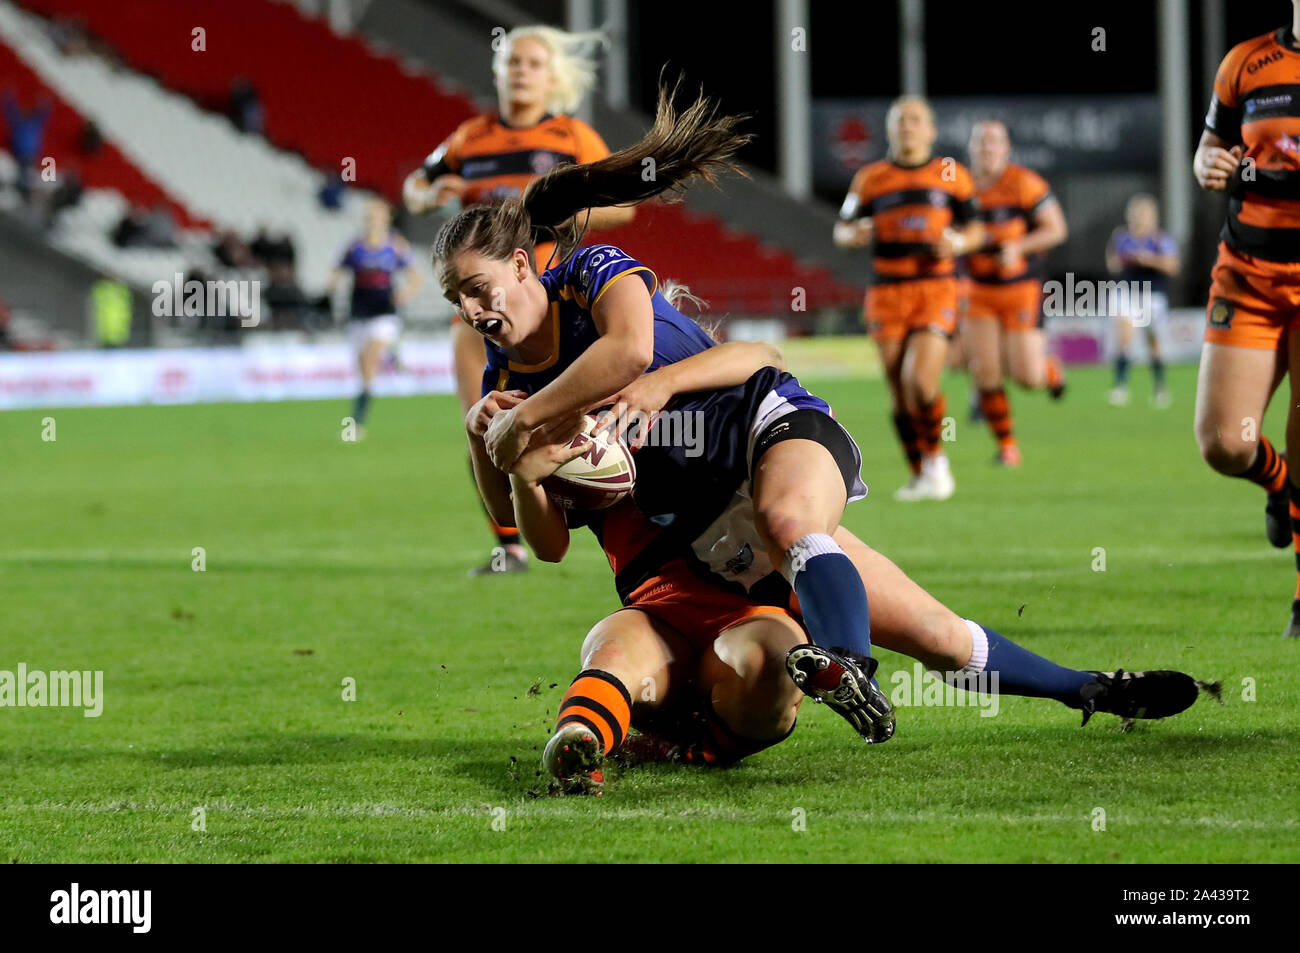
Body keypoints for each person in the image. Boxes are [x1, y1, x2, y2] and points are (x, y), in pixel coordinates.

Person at [487, 343, 1204, 793]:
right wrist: (521, 461)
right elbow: (542, 536)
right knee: (645, 652)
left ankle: (1089, 688)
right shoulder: (560, 425)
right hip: (682, 595)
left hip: (762, 565)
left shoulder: (696, 386)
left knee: (942, 637)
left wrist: (671, 382)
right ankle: (614, 742)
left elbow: (761, 358)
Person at [403, 25, 635, 577]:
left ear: (552, 75)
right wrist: (429, 194)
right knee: (480, 421)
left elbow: (623, 207)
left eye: (532, 63)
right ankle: (507, 546)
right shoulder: (469, 139)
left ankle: (618, 525)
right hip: (483, 309)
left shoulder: (573, 138)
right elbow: (416, 185)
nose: (520, 71)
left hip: (551, 301)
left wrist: (543, 213)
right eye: (512, 62)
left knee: (574, 422)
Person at [1192, 3, 1300, 637]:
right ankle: (1278, 483)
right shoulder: (1246, 62)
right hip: (1249, 273)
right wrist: (1208, 165)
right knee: (1226, 443)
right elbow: (1211, 147)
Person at [835, 96, 984, 501]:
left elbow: (977, 230)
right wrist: (856, 234)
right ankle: (918, 472)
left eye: (916, 120)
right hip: (886, 292)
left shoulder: (951, 174)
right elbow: (842, 229)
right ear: (890, 129)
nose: (908, 127)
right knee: (898, 392)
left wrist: (956, 242)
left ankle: (937, 461)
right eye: (900, 120)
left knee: (919, 381)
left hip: (936, 288)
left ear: (931, 130)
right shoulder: (871, 177)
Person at [965, 120, 1069, 465]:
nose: (987, 149)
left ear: (1006, 149)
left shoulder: (1025, 183)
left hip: (1020, 289)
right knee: (986, 371)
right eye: (981, 142)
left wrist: (1019, 247)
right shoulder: (961, 189)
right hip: (978, 290)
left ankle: (1050, 372)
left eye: (994, 142)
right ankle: (1007, 446)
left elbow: (1056, 229)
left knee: (1026, 377)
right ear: (971, 149)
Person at [327, 199, 422, 437]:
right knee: (363, 372)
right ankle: (391, 356)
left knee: (370, 362)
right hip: (358, 313)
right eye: (369, 216)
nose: (372, 221)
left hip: (385, 313)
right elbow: (337, 271)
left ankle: (356, 422)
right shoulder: (354, 247)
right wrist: (331, 286)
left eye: (377, 216)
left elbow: (415, 277)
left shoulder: (395, 246)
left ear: (386, 219)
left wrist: (404, 294)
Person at [1104, 194, 1179, 408]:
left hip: (1152, 294)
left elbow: (1173, 266)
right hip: (1127, 292)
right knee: (1124, 337)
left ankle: (1160, 387)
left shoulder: (1160, 239)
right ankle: (1120, 387)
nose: (1139, 218)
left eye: (1144, 213)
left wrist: (1149, 259)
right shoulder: (1121, 236)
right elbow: (1113, 264)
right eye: (1135, 213)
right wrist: (1125, 260)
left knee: (1153, 343)